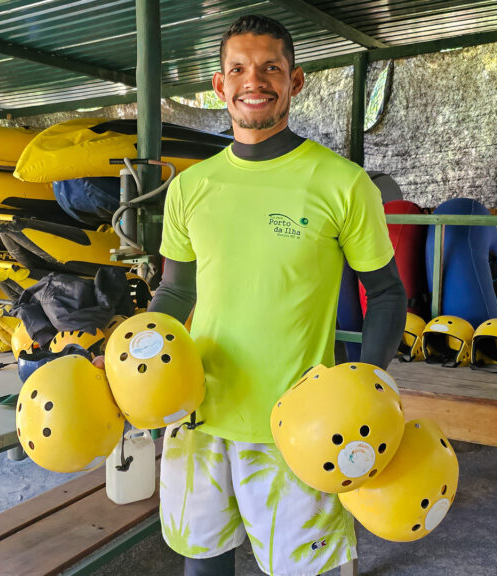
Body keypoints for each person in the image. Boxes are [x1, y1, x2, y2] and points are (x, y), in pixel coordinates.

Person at [107, 14, 407, 576]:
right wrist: (132, 362)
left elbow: (387, 293)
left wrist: (364, 389)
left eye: (271, 68)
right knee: (203, 566)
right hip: (197, 417)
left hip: (303, 427)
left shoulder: (342, 183)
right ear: (220, 85)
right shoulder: (190, 188)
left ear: (295, 81)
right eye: (239, 69)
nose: (255, 81)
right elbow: (175, 291)